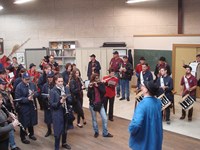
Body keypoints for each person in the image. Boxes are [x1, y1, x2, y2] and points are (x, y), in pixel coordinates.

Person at [128, 80, 163, 150]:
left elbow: (136, 124)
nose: (141, 87)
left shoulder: (142, 105)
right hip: (155, 136)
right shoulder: (158, 102)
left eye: (143, 86)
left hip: (143, 140)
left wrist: (131, 129)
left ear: (147, 90)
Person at [15, 72, 38, 144]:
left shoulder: (32, 84)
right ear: (22, 79)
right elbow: (18, 99)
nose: (28, 81)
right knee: (24, 122)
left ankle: (31, 134)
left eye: (29, 79)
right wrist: (27, 99)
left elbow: (37, 92)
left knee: (31, 120)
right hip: (23, 107)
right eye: (26, 79)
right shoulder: (19, 87)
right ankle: (23, 137)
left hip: (31, 106)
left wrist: (33, 95)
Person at [87, 73, 113, 138]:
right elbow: (88, 96)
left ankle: (105, 133)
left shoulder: (101, 84)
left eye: (98, 77)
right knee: (94, 119)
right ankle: (96, 132)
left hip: (100, 104)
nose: (98, 79)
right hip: (92, 105)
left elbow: (104, 91)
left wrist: (97, 86)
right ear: (93, 79)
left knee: (104, 118)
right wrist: (90, 88)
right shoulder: (91, 85)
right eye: (96, 78)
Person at [50, 74, 71, 150]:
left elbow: (71, 100)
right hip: (57, 113)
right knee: (58, 131)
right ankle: (56, 147)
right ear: (55, 81)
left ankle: (64, 143)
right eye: (59, 81)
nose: (61, 83)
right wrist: (60, 101)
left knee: (65, 129)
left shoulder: (66, 89)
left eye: (62, 81)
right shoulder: (52, 91)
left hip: (65, 111)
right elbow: (52, 104)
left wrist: (67, 98)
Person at [0, 79, 21, 150]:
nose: (4, 85)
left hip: (6, 114)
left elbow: (9, 103)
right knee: (9, 129)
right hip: (3, 115)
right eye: (2, 84)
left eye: (4, 84)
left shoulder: (5, 92)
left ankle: (13, 145)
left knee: (10, 130)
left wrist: (11, 114)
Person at [42, 71, 55, 137]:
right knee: (48, 119)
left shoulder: (55, 85)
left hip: (54, 105)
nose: (50, 78)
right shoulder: (45, 85)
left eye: (51, 77)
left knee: (55, 119)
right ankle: (49, 130)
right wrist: (46, 96)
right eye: (49, 77)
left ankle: (56, 130)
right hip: (47, 105)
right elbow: (42, 94)